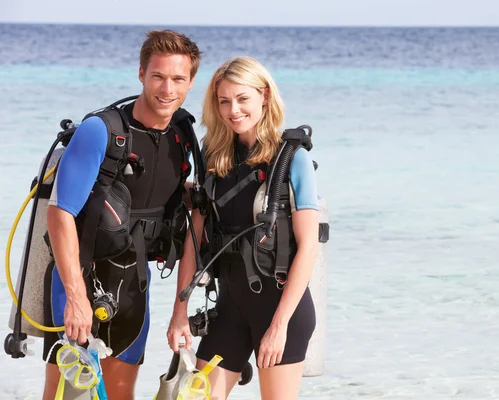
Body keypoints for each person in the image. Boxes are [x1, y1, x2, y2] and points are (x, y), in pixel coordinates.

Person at [42, 29, 204, 400]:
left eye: (178, 79)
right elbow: (60, 214)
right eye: (158, 76)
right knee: (65, 394)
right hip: (81, 277)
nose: (167, 89)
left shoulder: (183, 136)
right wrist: (76, 296)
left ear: (191, 82)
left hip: (135, 283)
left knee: (120, 393)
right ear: (141, 74)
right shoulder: (101, 131)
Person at [167, 56, 320, 400]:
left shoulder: (291, 158)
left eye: (242, 98)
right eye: (224, 101)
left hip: (281, 310)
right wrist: (180, 312)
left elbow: (308, 246)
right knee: (190, 397)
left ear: (264, 96)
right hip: (230, 308)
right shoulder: (214, 156)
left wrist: (278, 326)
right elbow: (194, 239)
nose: (233, 110)